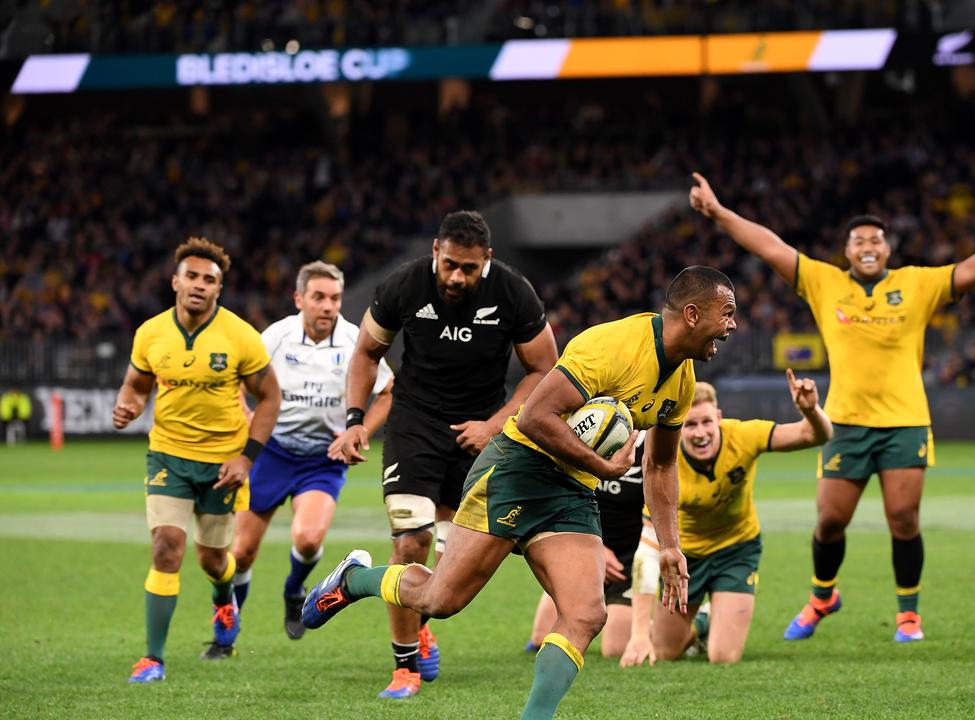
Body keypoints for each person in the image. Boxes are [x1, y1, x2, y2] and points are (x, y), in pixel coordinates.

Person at [304, 265, 737, 719]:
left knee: (587, 613)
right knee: (440, 600)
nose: (732, 326)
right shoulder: (613, 347)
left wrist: (670, 546)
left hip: (570, 491)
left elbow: (662, 463)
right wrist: (602, 465)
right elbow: (535, 418)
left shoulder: (682, 381)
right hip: (517, 470)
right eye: (726, 314)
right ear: (691, 313)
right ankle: (353, 581)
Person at [688, 172, 975, 644]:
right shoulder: (824, 282)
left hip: (905, 420)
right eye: (858, 240)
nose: (867, 245)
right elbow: (769, 247)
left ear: (887, 249)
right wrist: (719, 211)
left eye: (875, 239)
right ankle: (822, 596)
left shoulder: (917, 284)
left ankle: (908, 614)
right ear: (846, 251)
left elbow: (970, 270)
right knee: (830, 520)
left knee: (903, 519)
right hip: (845, 421)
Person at [331, 210, 558, 699]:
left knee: (452, 558)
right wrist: (354, 419)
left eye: (469, 268)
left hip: (481, 431)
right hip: (414, 424)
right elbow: (368, 353)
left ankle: (419, 613)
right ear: (435, 251)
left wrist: (495, 425)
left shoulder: (514, 294)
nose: (457, 277)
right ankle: (404, 666)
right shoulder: (405, 285)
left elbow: (544, 369)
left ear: (488, 261)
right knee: (411, 538)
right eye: (450, 264)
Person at [113, 238, 280, 682]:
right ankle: (153, 659)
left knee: (213, 560)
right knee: (167, 546)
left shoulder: (240, 336)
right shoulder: (150, 333)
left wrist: (246, 459)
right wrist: (128, 403)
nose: (199, 286)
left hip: (223, 464)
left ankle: (224, 599)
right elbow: (135, 383)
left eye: (210, 280)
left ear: (219, 290)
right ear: (175, 281)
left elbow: (270, 397)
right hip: (168, 455)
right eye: (192, 276)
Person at [228, 261, 394, 640]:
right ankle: (228, 629)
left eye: (334, 298)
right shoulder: (277, 336)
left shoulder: (356, 340)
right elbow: (238, 378)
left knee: (307, 539)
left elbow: (387, 391)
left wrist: (358, 431)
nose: (328, 306)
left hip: (323, 458)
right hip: (272, 453)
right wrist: (247, 416)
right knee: (240, 553)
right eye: (318, 297)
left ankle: (294, 590)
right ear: (299, 298)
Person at [624, 373, 832, 666]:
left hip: (736, 550)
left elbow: (816, 436)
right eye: (690, 424)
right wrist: (638, 634)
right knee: (665, 653)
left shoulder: (744, 436)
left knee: (722, 656)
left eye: (706, 422)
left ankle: (709, 617)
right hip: (687, 558)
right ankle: (705, 620)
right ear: (677, 428)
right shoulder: (663, 461)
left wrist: (810, 410)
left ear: (719, 417)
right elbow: (645, 552)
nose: (700, 433)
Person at [524, 432, 647, 658]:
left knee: (615, 649)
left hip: (628, 559)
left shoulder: (651, 444)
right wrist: (598, 549)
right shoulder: (589, 429)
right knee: (541, 639)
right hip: (583, 547)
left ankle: (658, 622)